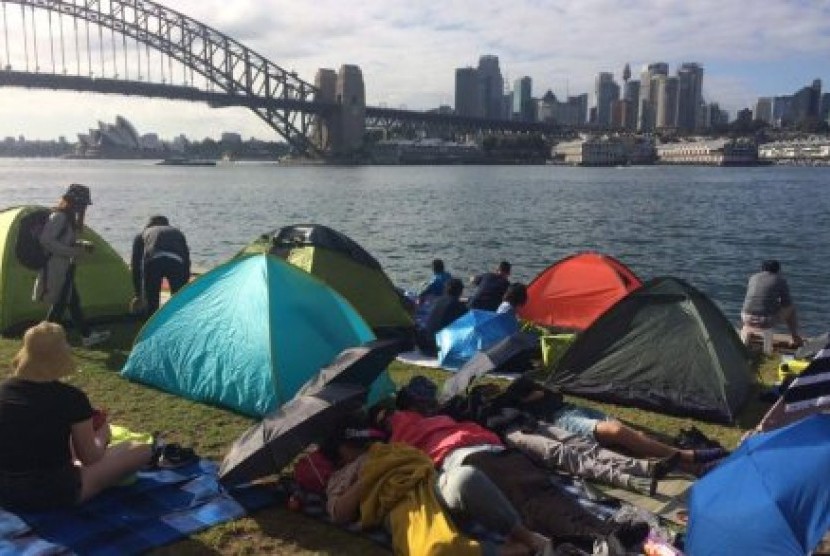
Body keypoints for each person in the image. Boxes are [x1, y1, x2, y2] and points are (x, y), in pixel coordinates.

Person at [371, 403, 650, 555]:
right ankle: (598, 541)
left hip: (493, 451)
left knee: (544, 492)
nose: (392, 416)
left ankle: (605, 534)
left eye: (390, 411)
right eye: (385, 417)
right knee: (529, 501)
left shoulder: (436, 420)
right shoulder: (400, 440)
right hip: (469, 458)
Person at [322, 419, 552, 556]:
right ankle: (504, 552)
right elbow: (339, 513)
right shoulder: (340, 476)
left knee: (465, 477)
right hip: (397, 505)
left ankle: (526, 536)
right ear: (339, 450)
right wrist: (370, 477)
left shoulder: (386, 448)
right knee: (435, 548)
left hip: (430, 484)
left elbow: (422, 463)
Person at [0, 322, 153, 511]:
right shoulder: (71, 398)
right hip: (57, 491)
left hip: (6, 492)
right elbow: (91, 457)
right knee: (141, 450)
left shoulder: (4, 391)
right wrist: (103, 433)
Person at [35, 184, 109, 348]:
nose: (82, 207)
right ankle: (44, 340)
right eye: (81, 203)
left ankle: (85, 335)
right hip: (55, 266)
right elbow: (46, 241)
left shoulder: (68, 218)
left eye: (84, 204)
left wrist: (82, 243)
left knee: (70, 301)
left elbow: (63, 240)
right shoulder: (59, 217)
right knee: (61, 302)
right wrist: (72, 252)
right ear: (71, 202)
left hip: (64, 266)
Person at [131, 215, 191, 316]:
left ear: (149, 224)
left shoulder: (142, 234)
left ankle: (151, 322)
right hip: (176, 261)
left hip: (154, 261)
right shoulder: (177, 232)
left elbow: (136, 266)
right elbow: (186, 262)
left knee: (152, 303)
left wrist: (139, 295)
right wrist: (184, 290)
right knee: (178, 302)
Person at [741, 259, 803, 347]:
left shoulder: (753, 277)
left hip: (745, 317)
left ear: (762, 269)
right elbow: (786, 303)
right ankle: (795, 338)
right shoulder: (780, 280)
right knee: (791, 308)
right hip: (765, 321)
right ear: (778, 270)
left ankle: (747, 335)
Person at [416, 278, 468, 356]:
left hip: (424, 343)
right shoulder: (458, 306)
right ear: (460, 291)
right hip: (438, 347)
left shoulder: (438, 301)